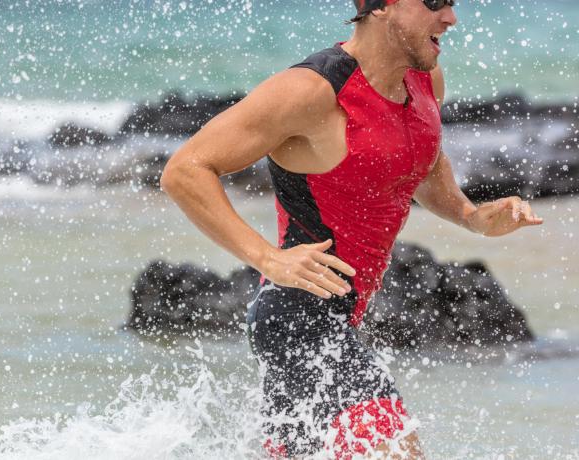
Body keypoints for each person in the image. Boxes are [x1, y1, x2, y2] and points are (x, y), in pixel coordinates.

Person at [161, 0, 543, 458]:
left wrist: (471, 216)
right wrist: (268, 258)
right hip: (297, 319)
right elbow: (185, 171)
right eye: (435, 3)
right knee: (399, 451)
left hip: (340, 319)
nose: (450, 18)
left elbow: (419, 160)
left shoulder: (423, 79)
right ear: (382, 6)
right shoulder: (311, 91)